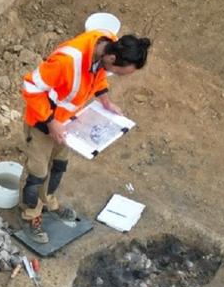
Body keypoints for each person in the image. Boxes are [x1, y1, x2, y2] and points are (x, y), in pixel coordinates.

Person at [17, 30, 151, 243]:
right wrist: (51, 122)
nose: (115, 75)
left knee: (59, 165)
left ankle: (49, 203)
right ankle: (31, 215)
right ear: (112, 58)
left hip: (67, 123)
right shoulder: (67, 61)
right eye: (119, 72)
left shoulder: (108, 44)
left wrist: (105, 101)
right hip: (42, 124)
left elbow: (98, 77)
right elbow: (30, 86)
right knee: (37, 173)